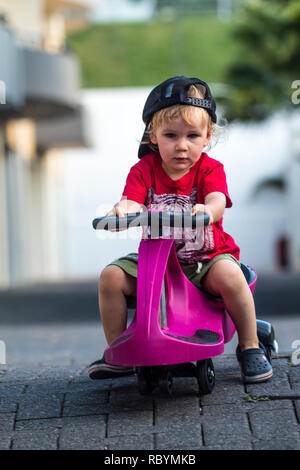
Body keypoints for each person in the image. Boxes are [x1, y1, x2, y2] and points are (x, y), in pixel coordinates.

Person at [88, 76, 273, 384]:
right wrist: (122, 210)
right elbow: (131, 201)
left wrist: (208, 209)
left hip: (206, 258)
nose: (181, 145)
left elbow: (216, 199)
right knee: (111, 276)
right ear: (153, 136)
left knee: (231, 275)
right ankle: (119, 350)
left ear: (207, 136)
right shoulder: (144, 170)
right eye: (171, 135)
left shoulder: (209, 169)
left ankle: (250, 346)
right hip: (156, 262)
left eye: (192, 135)